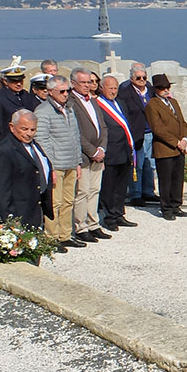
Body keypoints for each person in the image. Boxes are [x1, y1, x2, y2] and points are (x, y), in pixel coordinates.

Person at [35, 75, 83, 250]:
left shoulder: (69, 109)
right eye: (61, 91)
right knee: (55, 202)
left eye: (68, 91)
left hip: (70, 162)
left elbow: (75, 136)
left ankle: (65, 235)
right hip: (56, 165)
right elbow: (42, 141)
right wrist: (51, 167)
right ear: (50, 92)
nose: (65, 94)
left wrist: (78, 162)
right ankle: (51, 237)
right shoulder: (43, 111)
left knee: (68, 200)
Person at [67, 68, 109, 243]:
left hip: (99, 153)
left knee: (94, 190)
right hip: (84, 155)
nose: (87, 85)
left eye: (89, 82)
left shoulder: (92, 101)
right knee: (82, 191)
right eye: (83, 82)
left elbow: (103, 127)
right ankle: (81, 226)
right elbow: (76, 131)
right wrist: (92, 151)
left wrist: (102, 149)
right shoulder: (71, 102)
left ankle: (93, 224)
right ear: (74, 84)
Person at [0, 110, 53, 231]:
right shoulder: (5, 150)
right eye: (24, 129)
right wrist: (10, 220)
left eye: (33, 130)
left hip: (35, 208)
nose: (29, 134)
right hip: (19, 212)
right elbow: (2, 190)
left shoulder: (33, 145)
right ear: (12, 127)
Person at [144, 74, 187, 220]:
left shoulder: (173, 102)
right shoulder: (152, 104)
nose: (165, 90)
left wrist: (184, 139)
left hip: (179, 148)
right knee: (166, 180)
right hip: (165, 148)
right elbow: (157, 128)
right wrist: (175, 142)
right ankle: (167, 208)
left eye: (167, 87)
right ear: (155, 89)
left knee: (178, 178)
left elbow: (182, 122)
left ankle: (176, 205)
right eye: (161, 87)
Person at [96, 74, 137, 231]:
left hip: (124, 150)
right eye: (110, 88)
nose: (113, 91)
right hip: (110, 151)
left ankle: (119, 214)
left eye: (115, 88)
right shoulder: (98, 104)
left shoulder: (120, 103)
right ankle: (110, 217)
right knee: (109, 187)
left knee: (121, 187)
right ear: (102, 88)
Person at [118, 63, 157, 206]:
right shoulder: (125, 92)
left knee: (150, 165)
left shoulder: (151, 90)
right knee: (137, 165)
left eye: (144, 77)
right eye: (138, 77)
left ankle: (149, 191)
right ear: (132, 79)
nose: (142, 80)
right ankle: (136, 193)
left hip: (151, 133)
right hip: (136, 133)